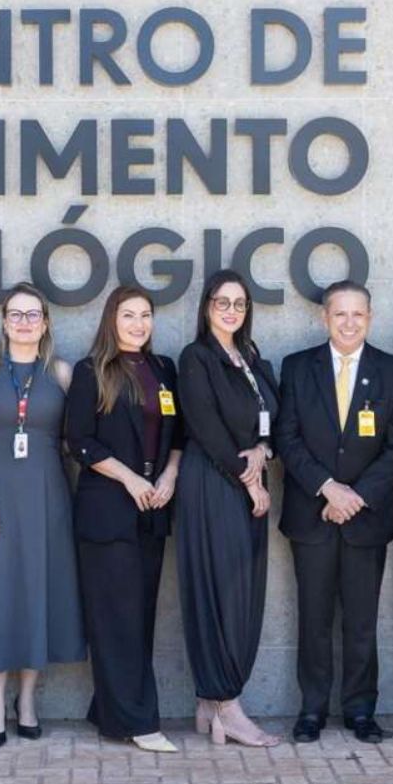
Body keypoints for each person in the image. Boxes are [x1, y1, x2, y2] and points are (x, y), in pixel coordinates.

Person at [0, 283, 85, 747]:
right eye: (15, 314)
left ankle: (27, 702)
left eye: (33, 314)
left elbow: (76, 440)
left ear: (45, 322)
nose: (24, 322)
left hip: (47, 500)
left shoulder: (61, 373)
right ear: (4, 321)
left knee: (36, 595)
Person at [276, 280, 393, 745]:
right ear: (325, 318)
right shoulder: (297, 368)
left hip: (366, 518)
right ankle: (312, 710)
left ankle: (360, 710)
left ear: (370, 318)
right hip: (312, 515)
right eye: (340, 314)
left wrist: (354, 497)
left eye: (359, 314)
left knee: (361, 620)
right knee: (313, 619)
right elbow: (287, 439)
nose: (350, 322)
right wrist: (327, 488)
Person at [64, 285, 184, 753]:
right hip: (108, 512)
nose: (138, 324)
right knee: (115, 619)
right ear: (111, 319)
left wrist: (170, 477)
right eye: (129, 315)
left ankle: (109, 707)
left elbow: (181, 435)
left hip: (153, 511)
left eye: (146, 315)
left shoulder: (163, 369)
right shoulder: (92, 371)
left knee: (139, 616)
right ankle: (135, 721)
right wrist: (131, 479)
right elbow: (80, 441)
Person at [175, 270, 283, 748]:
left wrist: (263, 451)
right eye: (223, 302)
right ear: (206, 306)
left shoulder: (253, 359)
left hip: (244, 481)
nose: (231, 311)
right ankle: (227, 705)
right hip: (213, 484)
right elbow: (205, 427)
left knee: (242, 588)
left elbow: (271, 421)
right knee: (224, 591)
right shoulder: (196, 358)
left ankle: (208, 705)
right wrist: (250, 480)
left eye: (239, 303)